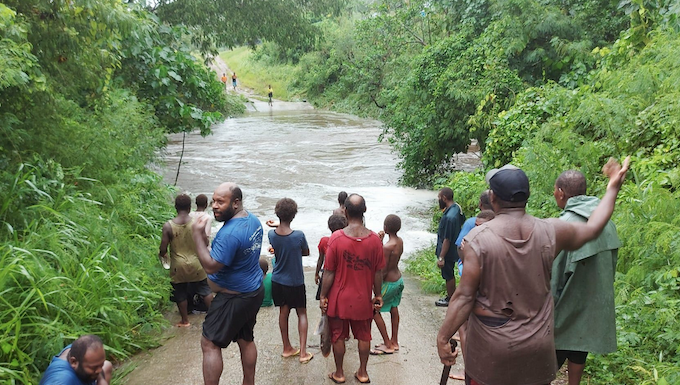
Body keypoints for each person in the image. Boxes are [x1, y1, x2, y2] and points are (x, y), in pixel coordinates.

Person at [436, 158, 630, 385]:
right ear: (526, 197)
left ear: (493, 198)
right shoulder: (550, 230)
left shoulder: (477, 240)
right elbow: (593, 227)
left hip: (492, 353)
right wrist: (613, 188)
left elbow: (464, 297)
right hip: (538, 350)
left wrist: (443, 337)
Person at [191, 183, 264, 385]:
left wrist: (197, 237)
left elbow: (211, 266)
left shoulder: (229, 234)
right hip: (253, 290)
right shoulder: (253, 220)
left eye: (220, 202)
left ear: (236, 203)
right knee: (245, 338)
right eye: (213, 201)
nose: (214, 205)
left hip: (234, 298)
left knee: (210, 343)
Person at [552, 170, 621, 385]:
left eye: (555, 190)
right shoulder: (606, 223)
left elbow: (554, 277)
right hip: (593, 302)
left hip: (565, 305)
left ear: (561, 193)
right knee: (579, 345)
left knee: (547, 362)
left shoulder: (565, 225)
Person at [320, 194, 386, 384]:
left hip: (339, 299)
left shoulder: (336, 239)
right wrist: (378, 294)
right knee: (364, 336)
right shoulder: (374, 240)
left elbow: (329, 272)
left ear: (346, 211)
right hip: (363, 299)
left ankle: (339, 373)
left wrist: (323, 296)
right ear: (364, 210)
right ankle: (363, 372)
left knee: (338, 336)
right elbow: (377, 272)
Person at [448, 208, 495, 381]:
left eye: (481, 227)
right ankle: (469, 368)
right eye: (476, 226)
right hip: (476, 299)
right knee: (464, 326)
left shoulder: (492, 246)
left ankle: (471, 369)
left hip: (489, 308)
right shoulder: (473, 241)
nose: (477, 230)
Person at [268, 198, 313, 363]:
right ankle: (302, 352)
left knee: (283, 312)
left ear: (277, 214)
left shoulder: (271, 234)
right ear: (294, 215)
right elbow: (305, 252)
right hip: (295, 281)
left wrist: (275, 225)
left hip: (278, 280)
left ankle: (287, 347)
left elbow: (280, 242)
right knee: (301, 313)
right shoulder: (299, 235)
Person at [159, 194, 213, 327]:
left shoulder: (168, 226)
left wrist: (163, 256)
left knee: (180, 292)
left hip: (178, 266)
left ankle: (185, 320)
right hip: (197, 263)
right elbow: (205, 242)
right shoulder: (197, 224)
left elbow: (163, 248)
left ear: (176, 207)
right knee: (205, 290)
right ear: (190, 208)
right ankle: (214, 317)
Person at [370, 214, 404, 355]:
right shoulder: (399, 241)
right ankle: (394, 341)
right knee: (393, 308)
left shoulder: (386, 247)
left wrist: (375, 289)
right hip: (398, 280)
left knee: (373, 310)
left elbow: (382, 270)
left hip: (388, 282)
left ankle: (387, 344)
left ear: (385, 228)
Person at [39, 335, 113, 385]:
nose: (99, 370)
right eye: (94, 367)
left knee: (107, 366)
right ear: (73, 362)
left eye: (101, 365)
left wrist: (101, 380)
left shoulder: (77, 350)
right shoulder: (63, 380)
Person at [434, 187, 465, 307]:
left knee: (448, 274)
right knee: (449, 273)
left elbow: (446, 239)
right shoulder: (456, 208)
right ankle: (452, 297)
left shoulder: (449, 217)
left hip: (448, 251)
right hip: (453, 248)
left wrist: (441, 257)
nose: (438, 200)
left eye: (439, 197)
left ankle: (450, 299)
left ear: (444, 198)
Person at [315, 214, 348, 300]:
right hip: (342, 275)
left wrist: (316, 273)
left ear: (329, 227)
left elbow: (320, 259)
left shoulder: (324, 241)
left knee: (325, 299)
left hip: (326, 275)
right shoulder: (348, 242)